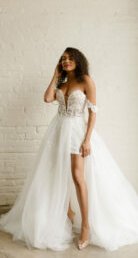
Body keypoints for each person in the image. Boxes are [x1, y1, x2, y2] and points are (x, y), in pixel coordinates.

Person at [0, 47, 138, 252]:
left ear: (78, 60)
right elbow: (47, 98)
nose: (66, 61)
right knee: (56, 174)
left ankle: (85, 226)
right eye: (63, 59)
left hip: (76, 131)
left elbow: (93, 112)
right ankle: (70, 214)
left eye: (70, 58)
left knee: (77, 176)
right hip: (57, 131)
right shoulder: (62, 82)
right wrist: (55, 75)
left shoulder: (86, 81)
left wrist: (87, 139)